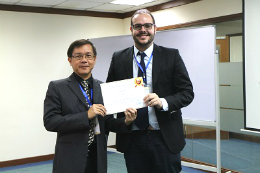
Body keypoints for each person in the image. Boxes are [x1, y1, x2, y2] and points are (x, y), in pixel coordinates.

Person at [106, 9, 194, 173]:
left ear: (155, 29)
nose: (143, 30)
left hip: (164, 137)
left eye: (147, 25)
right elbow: (111, 98)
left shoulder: (171, 55)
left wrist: (163, 102)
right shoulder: (118, 58)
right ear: (131, 30)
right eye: (138, 26)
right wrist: (122, 121)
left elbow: (187, 93)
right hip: (133, 138)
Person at [44, 39, 137, 173]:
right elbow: (50, 122)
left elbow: (108, 122)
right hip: (70, 158)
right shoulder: (57, 87)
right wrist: (86, 116)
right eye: (78, 56)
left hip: (97, 157)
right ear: (70, 60)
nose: (84, 60)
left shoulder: (103, 87)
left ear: (94, 59)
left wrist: (127, 121)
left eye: (88, 55)